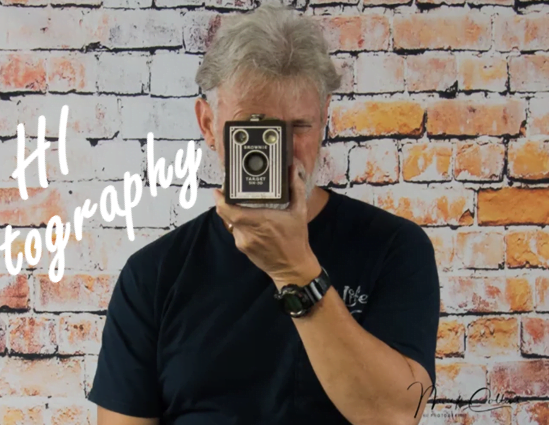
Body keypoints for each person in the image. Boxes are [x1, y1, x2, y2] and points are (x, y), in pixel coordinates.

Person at [88, 4, 440, 425]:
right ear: (207, 123)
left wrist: (297, 271)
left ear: (325, 118)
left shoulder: (394, 248)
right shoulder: (154, 275)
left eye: (299, 127)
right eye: (256, 130)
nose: (278, 152)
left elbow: (397, 414)